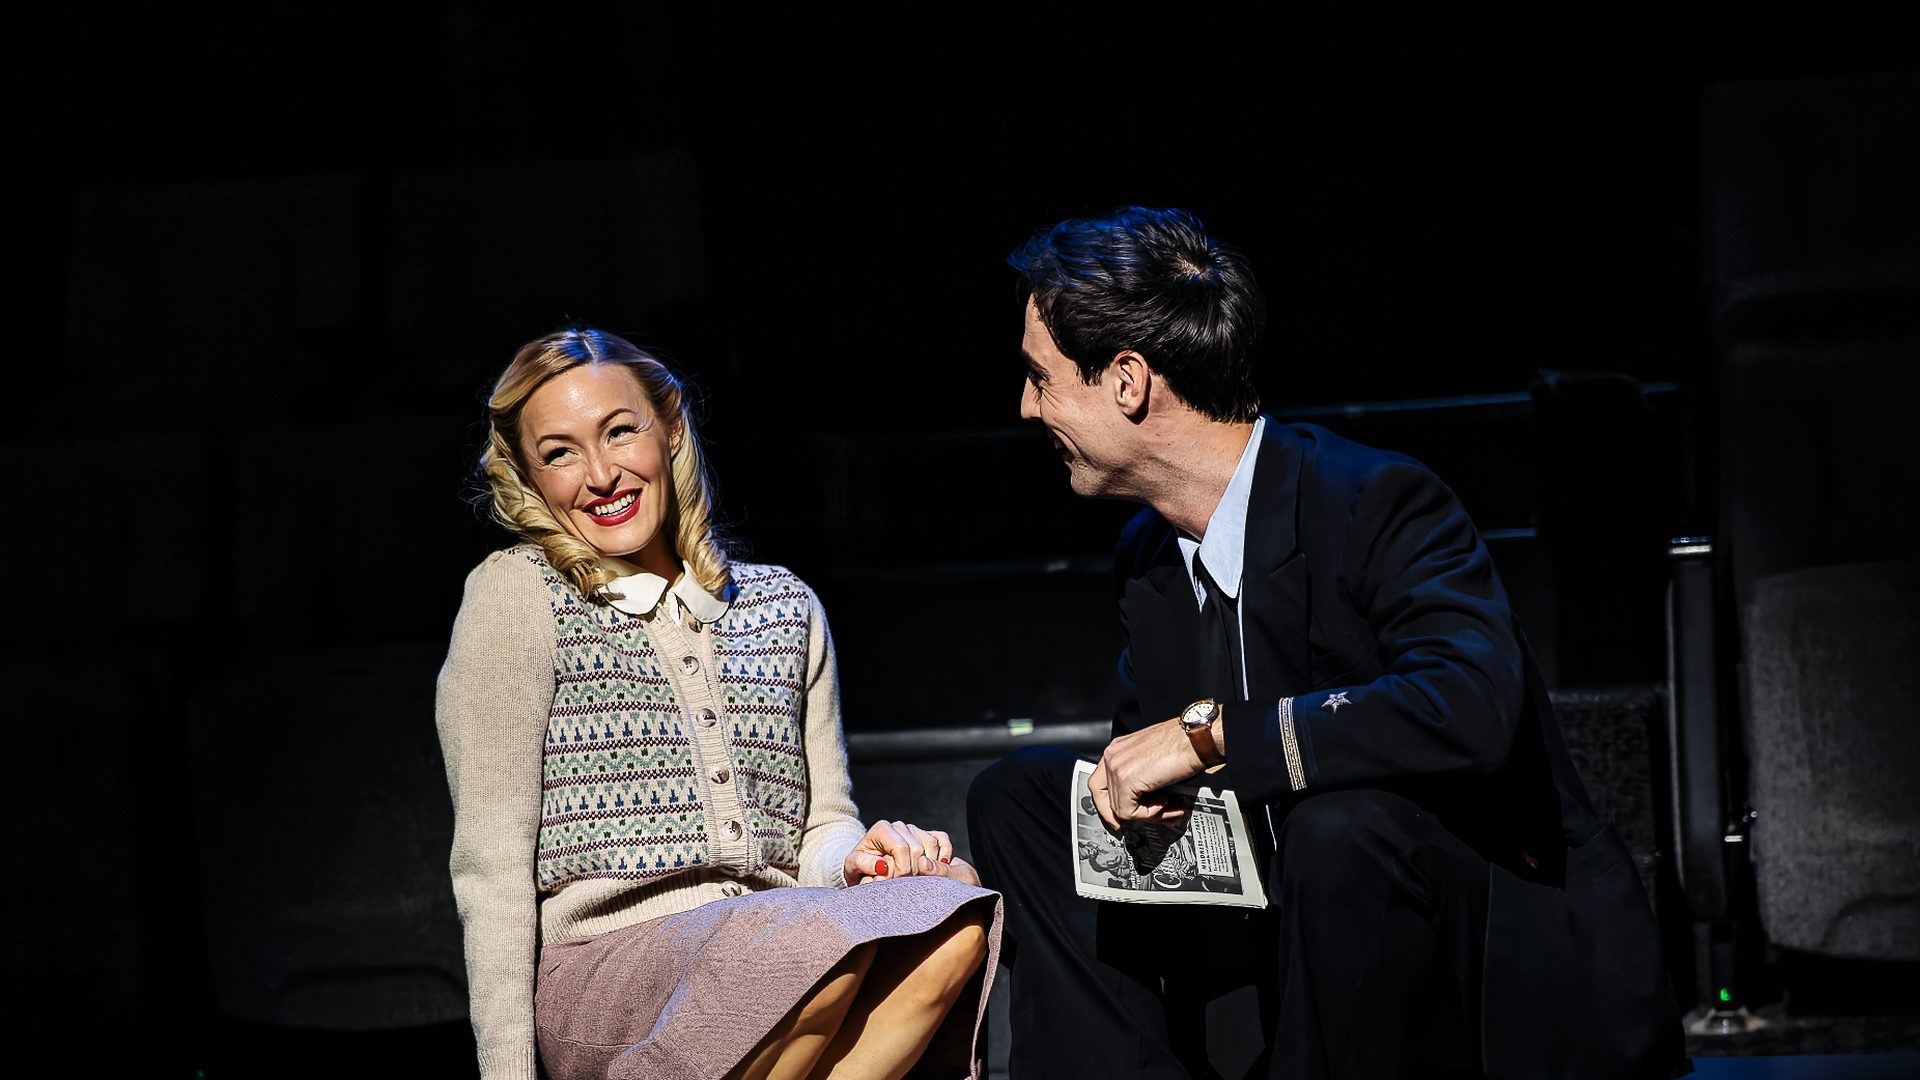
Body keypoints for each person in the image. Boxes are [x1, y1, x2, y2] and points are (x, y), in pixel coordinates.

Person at [965, 208, 1688, 1079]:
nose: (1025, 406)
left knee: (1341, 827)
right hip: (1277, 917)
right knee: (1024, 796)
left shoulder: (1372, 497)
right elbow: (1167, 781)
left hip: (1470, 937)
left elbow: (1470, 706)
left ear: (1126, 381)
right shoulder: (1149, 557)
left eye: (1041, 379)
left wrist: (1212, 738)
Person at [436, 328, 999, 1080]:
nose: (600, 475)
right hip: (612, 972)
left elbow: (820, 827)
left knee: (953, 914)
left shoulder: (783, 605)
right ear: (530, 475)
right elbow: (492, 866)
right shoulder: (520, 594)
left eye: (619, 432)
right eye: (561, 452)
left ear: (669, 427)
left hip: (780, 942)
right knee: (810, 955)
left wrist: (860, 860)